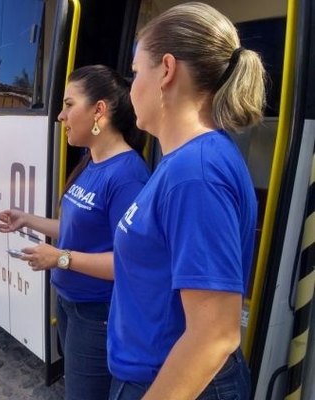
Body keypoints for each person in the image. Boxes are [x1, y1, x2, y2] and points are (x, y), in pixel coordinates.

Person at [107, 3, 266, 399]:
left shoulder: (195, 173)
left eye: (135, 72)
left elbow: (213, 335)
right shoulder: (183, 161)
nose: (131, 86)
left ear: (166, 69)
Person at [0, 64, 150, 400]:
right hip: (70, 305)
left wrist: (60, 258)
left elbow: (127, 263)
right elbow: (81, 230)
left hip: (98, 314)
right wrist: (29, 220)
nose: (60, 116)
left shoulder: (128, 176)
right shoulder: (92, 160)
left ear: (99, 110)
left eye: (68, 104)